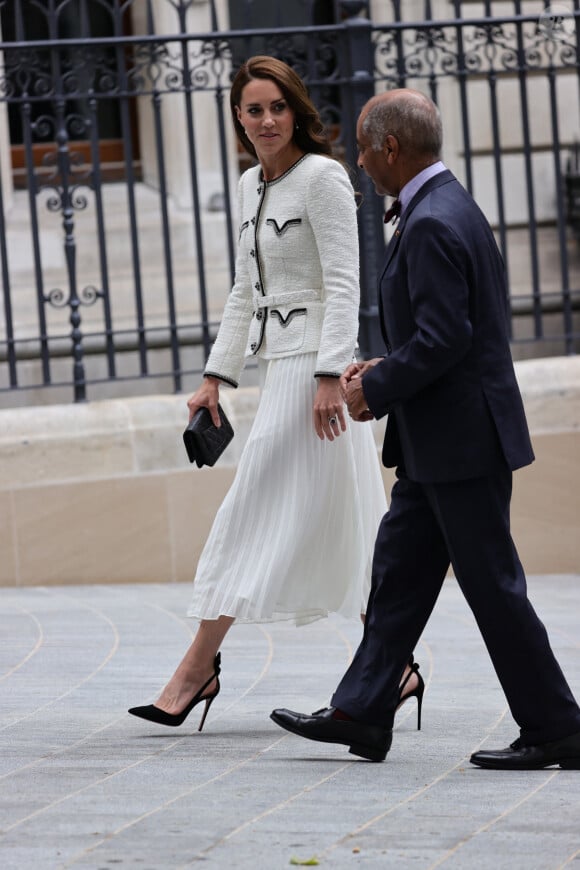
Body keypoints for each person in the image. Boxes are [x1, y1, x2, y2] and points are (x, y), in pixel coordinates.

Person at [270, 88, 580, 768]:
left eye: (361, 147)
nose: (357, 160)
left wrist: (372, 388)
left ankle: (558, 728)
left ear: (390, 148)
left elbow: (444, 339)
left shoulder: (435, 220)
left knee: (494, 588)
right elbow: (451, 336)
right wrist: (383, 368)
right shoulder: (447, 206)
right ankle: (363, 711)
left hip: (462, 444)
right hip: (438, 442)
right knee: (399, 578)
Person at [128, 58, 422, 731]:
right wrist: (214, 378)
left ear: (297, 112)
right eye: (253, 109)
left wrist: (328, 375)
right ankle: (395, 666)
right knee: (345, 518)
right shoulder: (247, 185)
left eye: (276, 108)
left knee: (249, 508)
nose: (265, 121)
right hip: (276, 370)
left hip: (311, 374)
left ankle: (194, 672)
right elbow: (244, 291)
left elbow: (346, 282)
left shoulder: (323, 179)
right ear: (237, 116)